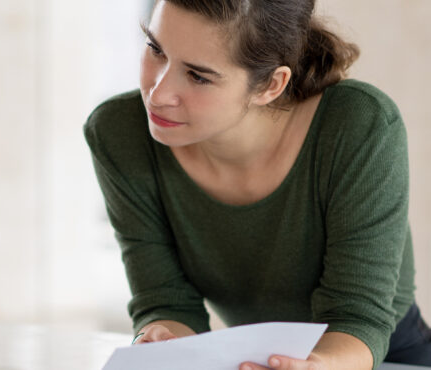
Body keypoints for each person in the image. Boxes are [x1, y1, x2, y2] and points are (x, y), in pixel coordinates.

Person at [84, 0, 431, 369]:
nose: (157, 94)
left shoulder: (359, 125)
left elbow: (358, 318)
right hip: (255, 359)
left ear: (270, 84)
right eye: (156, 49)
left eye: (198, 76)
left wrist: (314, 366)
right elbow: (165, 302)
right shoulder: (119, 133)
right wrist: (160, 340)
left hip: (380, 354)